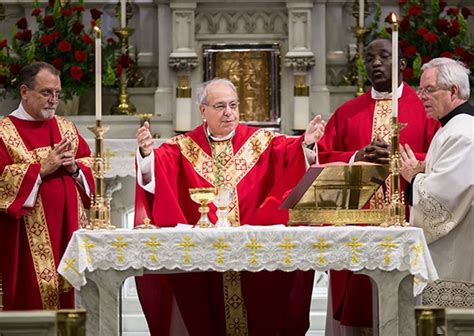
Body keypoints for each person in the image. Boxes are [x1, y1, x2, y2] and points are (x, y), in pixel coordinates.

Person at [134, 78, 325, 336]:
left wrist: (307, 143)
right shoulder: (184, 147)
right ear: (203, 111)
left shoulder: (260, 141)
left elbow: (292, 154)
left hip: (252, 255)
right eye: (220, 106)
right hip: (207, 258)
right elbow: (156, 168)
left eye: (233, 105)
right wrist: (147, 154)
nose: (229, 113)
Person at [316, 38, 440, 335]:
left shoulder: (424, 109)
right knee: (358, 311)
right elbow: (322, 157)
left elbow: (443, 157)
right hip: (358, 224)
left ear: (401, 65)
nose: (375, 63)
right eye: (369, 58)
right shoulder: (348, 112)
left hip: (410, 221)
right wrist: (357, 156)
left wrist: (402, 158)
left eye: (384, 56)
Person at [0, 62, 94, 310]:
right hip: (25, 243)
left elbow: (91, 169)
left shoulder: (66, 128)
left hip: (69, 233)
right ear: (24, 92)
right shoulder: (4, 132)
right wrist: (41, 169)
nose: (54, 100)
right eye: (46, 93)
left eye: (57, 94)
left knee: (73, 304)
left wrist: (75, 168)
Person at [400, 58, 473, 306]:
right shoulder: (452, 128)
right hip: (453, 251)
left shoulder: (463, 133)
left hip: (456, 257)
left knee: (450, 328)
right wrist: (426, 171)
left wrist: (413, 176)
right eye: (420, 90)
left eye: (429, 90)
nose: (421, 97)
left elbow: (443, 201)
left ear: (453, 91)